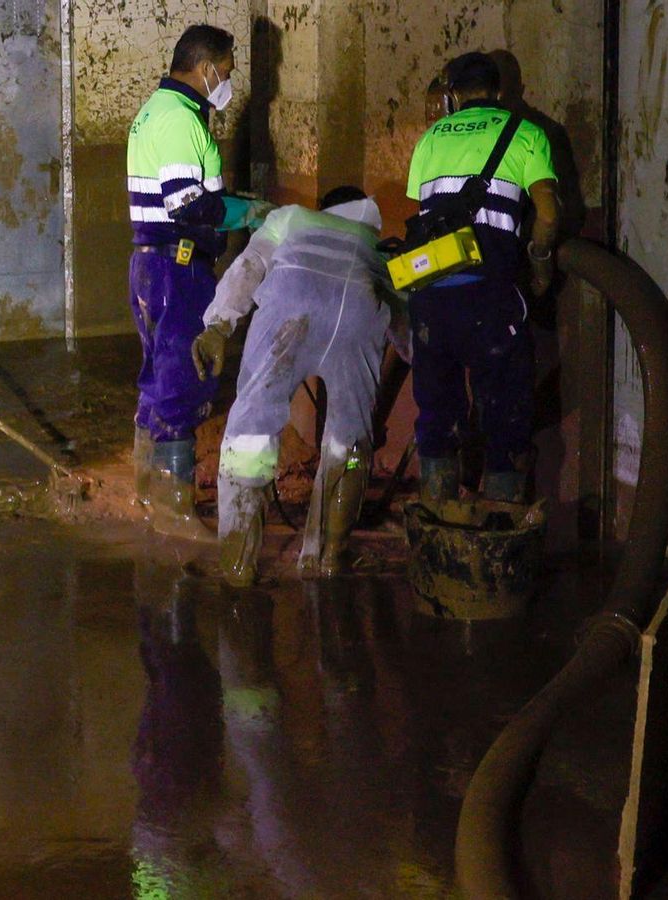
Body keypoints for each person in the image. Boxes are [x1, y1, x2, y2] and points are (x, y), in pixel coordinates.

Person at [192, 189, 408, 586]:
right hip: (359, 314)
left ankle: (239, 566)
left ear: (323, 208)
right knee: (349, 445)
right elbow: (406, 329)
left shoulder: (291, 217)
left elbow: (250, 266)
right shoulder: (375, 248)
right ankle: (326, 560)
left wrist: (218, 325)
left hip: (290, 309)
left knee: (251, 433)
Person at [126, 24, 271, 540]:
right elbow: (189, 205)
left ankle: (149, 496)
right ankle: (175, 516)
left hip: (154, 267)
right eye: (226, 72)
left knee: (158, 382)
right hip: (177, 267)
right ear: (206, 67)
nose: (227, 82)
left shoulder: (157, 112)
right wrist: (247, 212)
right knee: (182, 385)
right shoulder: (180, 120)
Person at [405, 51, 560, 504]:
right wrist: (540, 261)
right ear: (500, 93)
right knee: (505, 418)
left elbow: (421, 212)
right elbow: (548, 213)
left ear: (452, 95)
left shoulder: (430, 138)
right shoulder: (527, 134)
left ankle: (438, 529)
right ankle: (495, 540)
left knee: (436, 419)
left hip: (431, 296)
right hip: (491, 297)